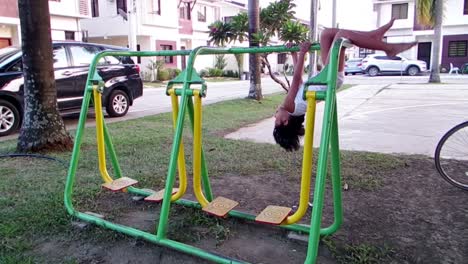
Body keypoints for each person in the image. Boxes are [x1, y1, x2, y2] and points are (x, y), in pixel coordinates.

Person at [273, 19, 417, 151]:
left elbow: (299, 84)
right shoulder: (289, 106)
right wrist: (303, 51)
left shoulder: (296, 110)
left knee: (327, 35)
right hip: (329, 77)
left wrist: (293, 54)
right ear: (285, 121)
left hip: (330, 77)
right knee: (341, 36)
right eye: (277, 119)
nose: (275, 115)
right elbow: (296, 78)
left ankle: (373, 36)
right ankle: (387, 48)